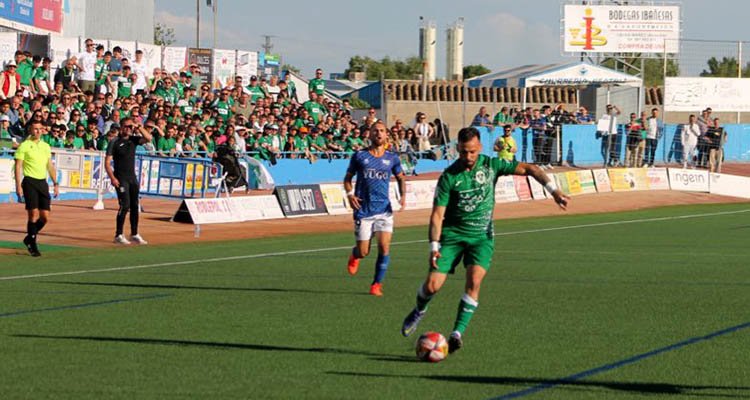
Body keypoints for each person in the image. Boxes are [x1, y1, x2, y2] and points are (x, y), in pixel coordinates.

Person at [400, 127, 569, 353]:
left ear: (479, 147)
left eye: (471, 152)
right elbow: (437, 215)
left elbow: (530, 168)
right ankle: (420, 309)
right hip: (452, 237)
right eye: (462, 152)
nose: (467, 157)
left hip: (481, 238)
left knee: (474, 282)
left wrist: (554, 191)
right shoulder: (449, 176)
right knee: (432, 286)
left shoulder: (492, 165)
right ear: (457, 150)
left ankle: (456, 333)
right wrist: (433, 246)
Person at [343, 120, 407, 297]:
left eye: (381, 131)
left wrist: (403, 196)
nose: (378, 133)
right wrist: (350, 195)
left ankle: (376, 284)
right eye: (375, 131)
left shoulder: (392, 158)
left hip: (384, 210)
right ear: (369, 134)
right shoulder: (359, 156)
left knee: (384, 247)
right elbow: (347, 178)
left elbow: (401, 177)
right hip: (363, 210)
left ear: (387, 135)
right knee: (364, 251)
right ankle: (355, 255)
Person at [14, 121, 59, 257]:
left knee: (44, 217)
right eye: (35, 129)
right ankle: (32, 244)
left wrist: (55, 183)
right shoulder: (24, 146)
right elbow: (18, 166)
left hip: (42, 182)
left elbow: (50, 166)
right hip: (29, 181)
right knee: (33, 213)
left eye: (40, 129)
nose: (38, 131)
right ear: (30, 130)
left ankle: (29, 237)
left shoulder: (45, 146)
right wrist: (18, 185)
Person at [105, 117, 152, 245]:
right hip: (120, 178)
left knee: (134, 206)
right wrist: (113, 178)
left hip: (132, 178)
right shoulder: (115, 142)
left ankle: (134, 233)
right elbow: (107, 163)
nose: (128, 129)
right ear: (121, 127)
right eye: (126, 126)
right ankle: (118, 234)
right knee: (124, 205)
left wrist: (139, 127)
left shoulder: (133, 140)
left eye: (130, 127)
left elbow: (149, 138)